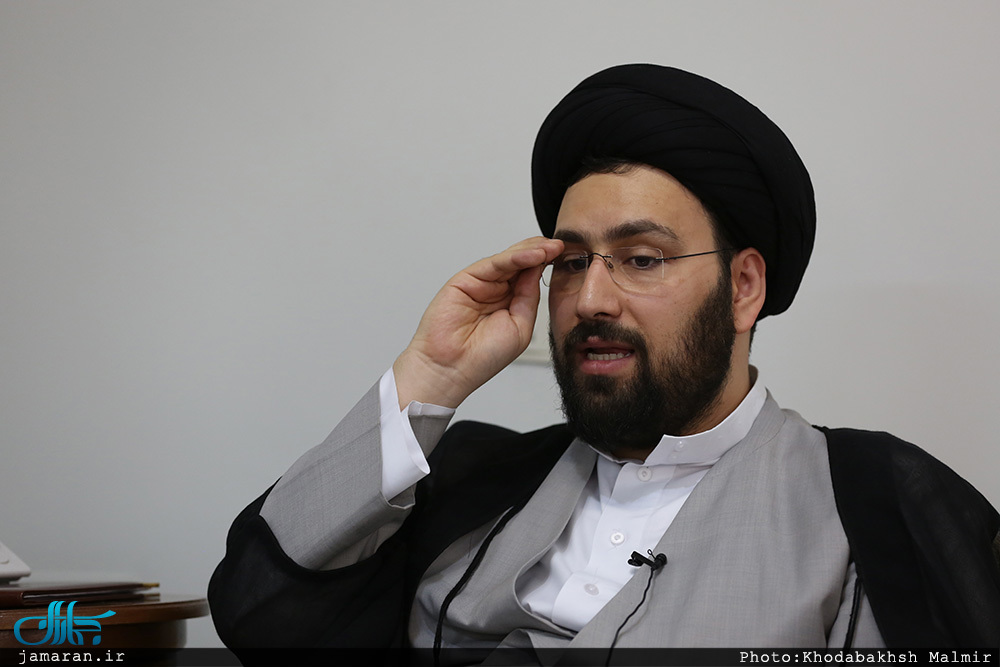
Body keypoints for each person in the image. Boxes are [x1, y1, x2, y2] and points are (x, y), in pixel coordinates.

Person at [208, 65, 1000, 658]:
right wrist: (431, 376)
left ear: (743, 287)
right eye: (573, 262)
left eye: (642, 259)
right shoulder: (474, 480)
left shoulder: (872, 503)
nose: (590, 298)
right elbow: (261, 614)